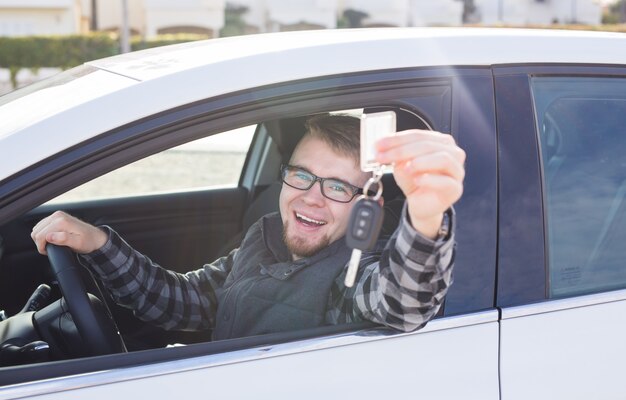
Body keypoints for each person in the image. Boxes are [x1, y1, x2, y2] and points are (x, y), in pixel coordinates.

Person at [31, 114, 465, 340]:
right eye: (301, 175)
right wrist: (97, 243)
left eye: (336, 186)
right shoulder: (264, 240)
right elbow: (181, 301)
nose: (311, 197)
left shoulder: (353, 275)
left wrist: (425, 218)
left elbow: (399, 302)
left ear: (367, 204)